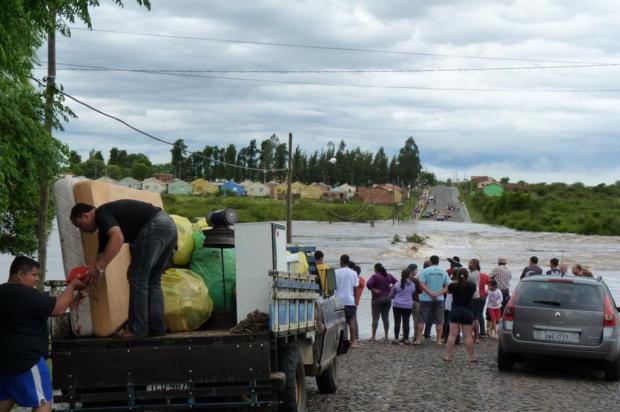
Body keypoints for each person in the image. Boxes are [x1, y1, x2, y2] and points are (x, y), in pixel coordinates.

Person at [70, 200, 177, 338]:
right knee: (152, 280)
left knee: (137, 278)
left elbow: (118, 238)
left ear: (85, 216)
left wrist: (100, 267)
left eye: (79, 225)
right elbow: (100, 263)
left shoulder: (102, 213)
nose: (81, 230)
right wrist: (85, 289)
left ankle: (137, 330)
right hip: (169, 226)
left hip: (155, 226)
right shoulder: (104, 230)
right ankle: (157, 328)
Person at [0, 256, 86, 412]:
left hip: (4, 362)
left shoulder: (3, 292)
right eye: (34, 275)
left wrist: (73, 299)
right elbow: (58, 308)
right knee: (43, 402)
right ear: (20, 275)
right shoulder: (24, 294)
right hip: (27, 361)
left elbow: (47, 307)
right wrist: (72, 286)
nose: (37, 279)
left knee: (6, 399)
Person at [443, 268, 477, 363]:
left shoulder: (453, 286)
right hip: (467, 311)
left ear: (456, 276)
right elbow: (474, 294)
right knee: (467, 336)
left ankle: (448, 355)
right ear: (467, 276)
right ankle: (472, 357)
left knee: (452, 335)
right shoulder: (472, 286)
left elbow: (448, 292)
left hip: (455, 311)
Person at [415, 255, 450, 346]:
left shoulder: (425, 271)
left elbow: (421, 284)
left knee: (421, 319)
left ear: (430, 262)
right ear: (438, 262)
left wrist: (430, 293)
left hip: (426, 298)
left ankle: (418, 339)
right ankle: (438, 340)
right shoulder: (443, 271)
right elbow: (447, 286)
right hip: (439, 298)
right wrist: (438, 294)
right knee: (439, 320)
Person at [366, 263, 397, 341]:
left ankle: (373, 337)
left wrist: (373, 289)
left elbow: (368, 284)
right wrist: (390, 288)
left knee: (375, 318)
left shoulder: (375, 276)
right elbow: (397, 283)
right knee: (385, 317)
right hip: (387, 298)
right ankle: (386, 336)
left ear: (376, 269)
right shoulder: (389, 275)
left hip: (377, 298)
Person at [335, 255, 359, 348]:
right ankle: (353, 342)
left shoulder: (336, 272)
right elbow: (355, 288)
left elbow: (333, 287)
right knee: (351, 321)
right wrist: (356, 299)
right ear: (348, 262)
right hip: (349, 300)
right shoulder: (353, 273)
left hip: (338, 300)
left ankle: (339, 342)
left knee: (338, 322)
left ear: (341, 261)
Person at [390, 269, 416, 344]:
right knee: (406, 322)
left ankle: (396, 339)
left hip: (397, 305)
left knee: (397, 322)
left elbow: (391, 295)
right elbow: (413, 292)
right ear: (409, 275)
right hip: (408, 306)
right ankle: (406, 339)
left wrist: (395, 297)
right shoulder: (412, 285)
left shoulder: (397, 284)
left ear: (401, 275)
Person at [467, 259, 482, 343]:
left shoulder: (471, 275)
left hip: (472, 297)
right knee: (476, 318)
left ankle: (471, 336)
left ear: (475, 265)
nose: (468, 264)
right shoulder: (477, 273)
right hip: (477, 296)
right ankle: (476, 337)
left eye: (470, 263)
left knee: (471, 318)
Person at [407, 263, 422, 342]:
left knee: (406, 319)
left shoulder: (403, 279)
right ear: (412, 271)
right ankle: (416, 336)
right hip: (415, 301)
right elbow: (420, 291)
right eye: (416, 270)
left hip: (406, 302)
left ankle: (405, 336)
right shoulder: (415, 280)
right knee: (416, 320)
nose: (416, 271)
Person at [351, 263, 365, 342]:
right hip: (355, 301)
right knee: (354, 319)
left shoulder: (358, 281)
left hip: (353, 301)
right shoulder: (362, 280)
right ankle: (356, 336)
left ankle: (355, 336)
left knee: (353, 319)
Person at [478, 270, 489, 338]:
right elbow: (488, 286)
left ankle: (473, 332)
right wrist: (486, 294)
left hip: (474, 297)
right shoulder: (485, 275)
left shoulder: (471, 275)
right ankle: (482, 332)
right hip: (483, 296)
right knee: (480, 314)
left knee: (473, 315)